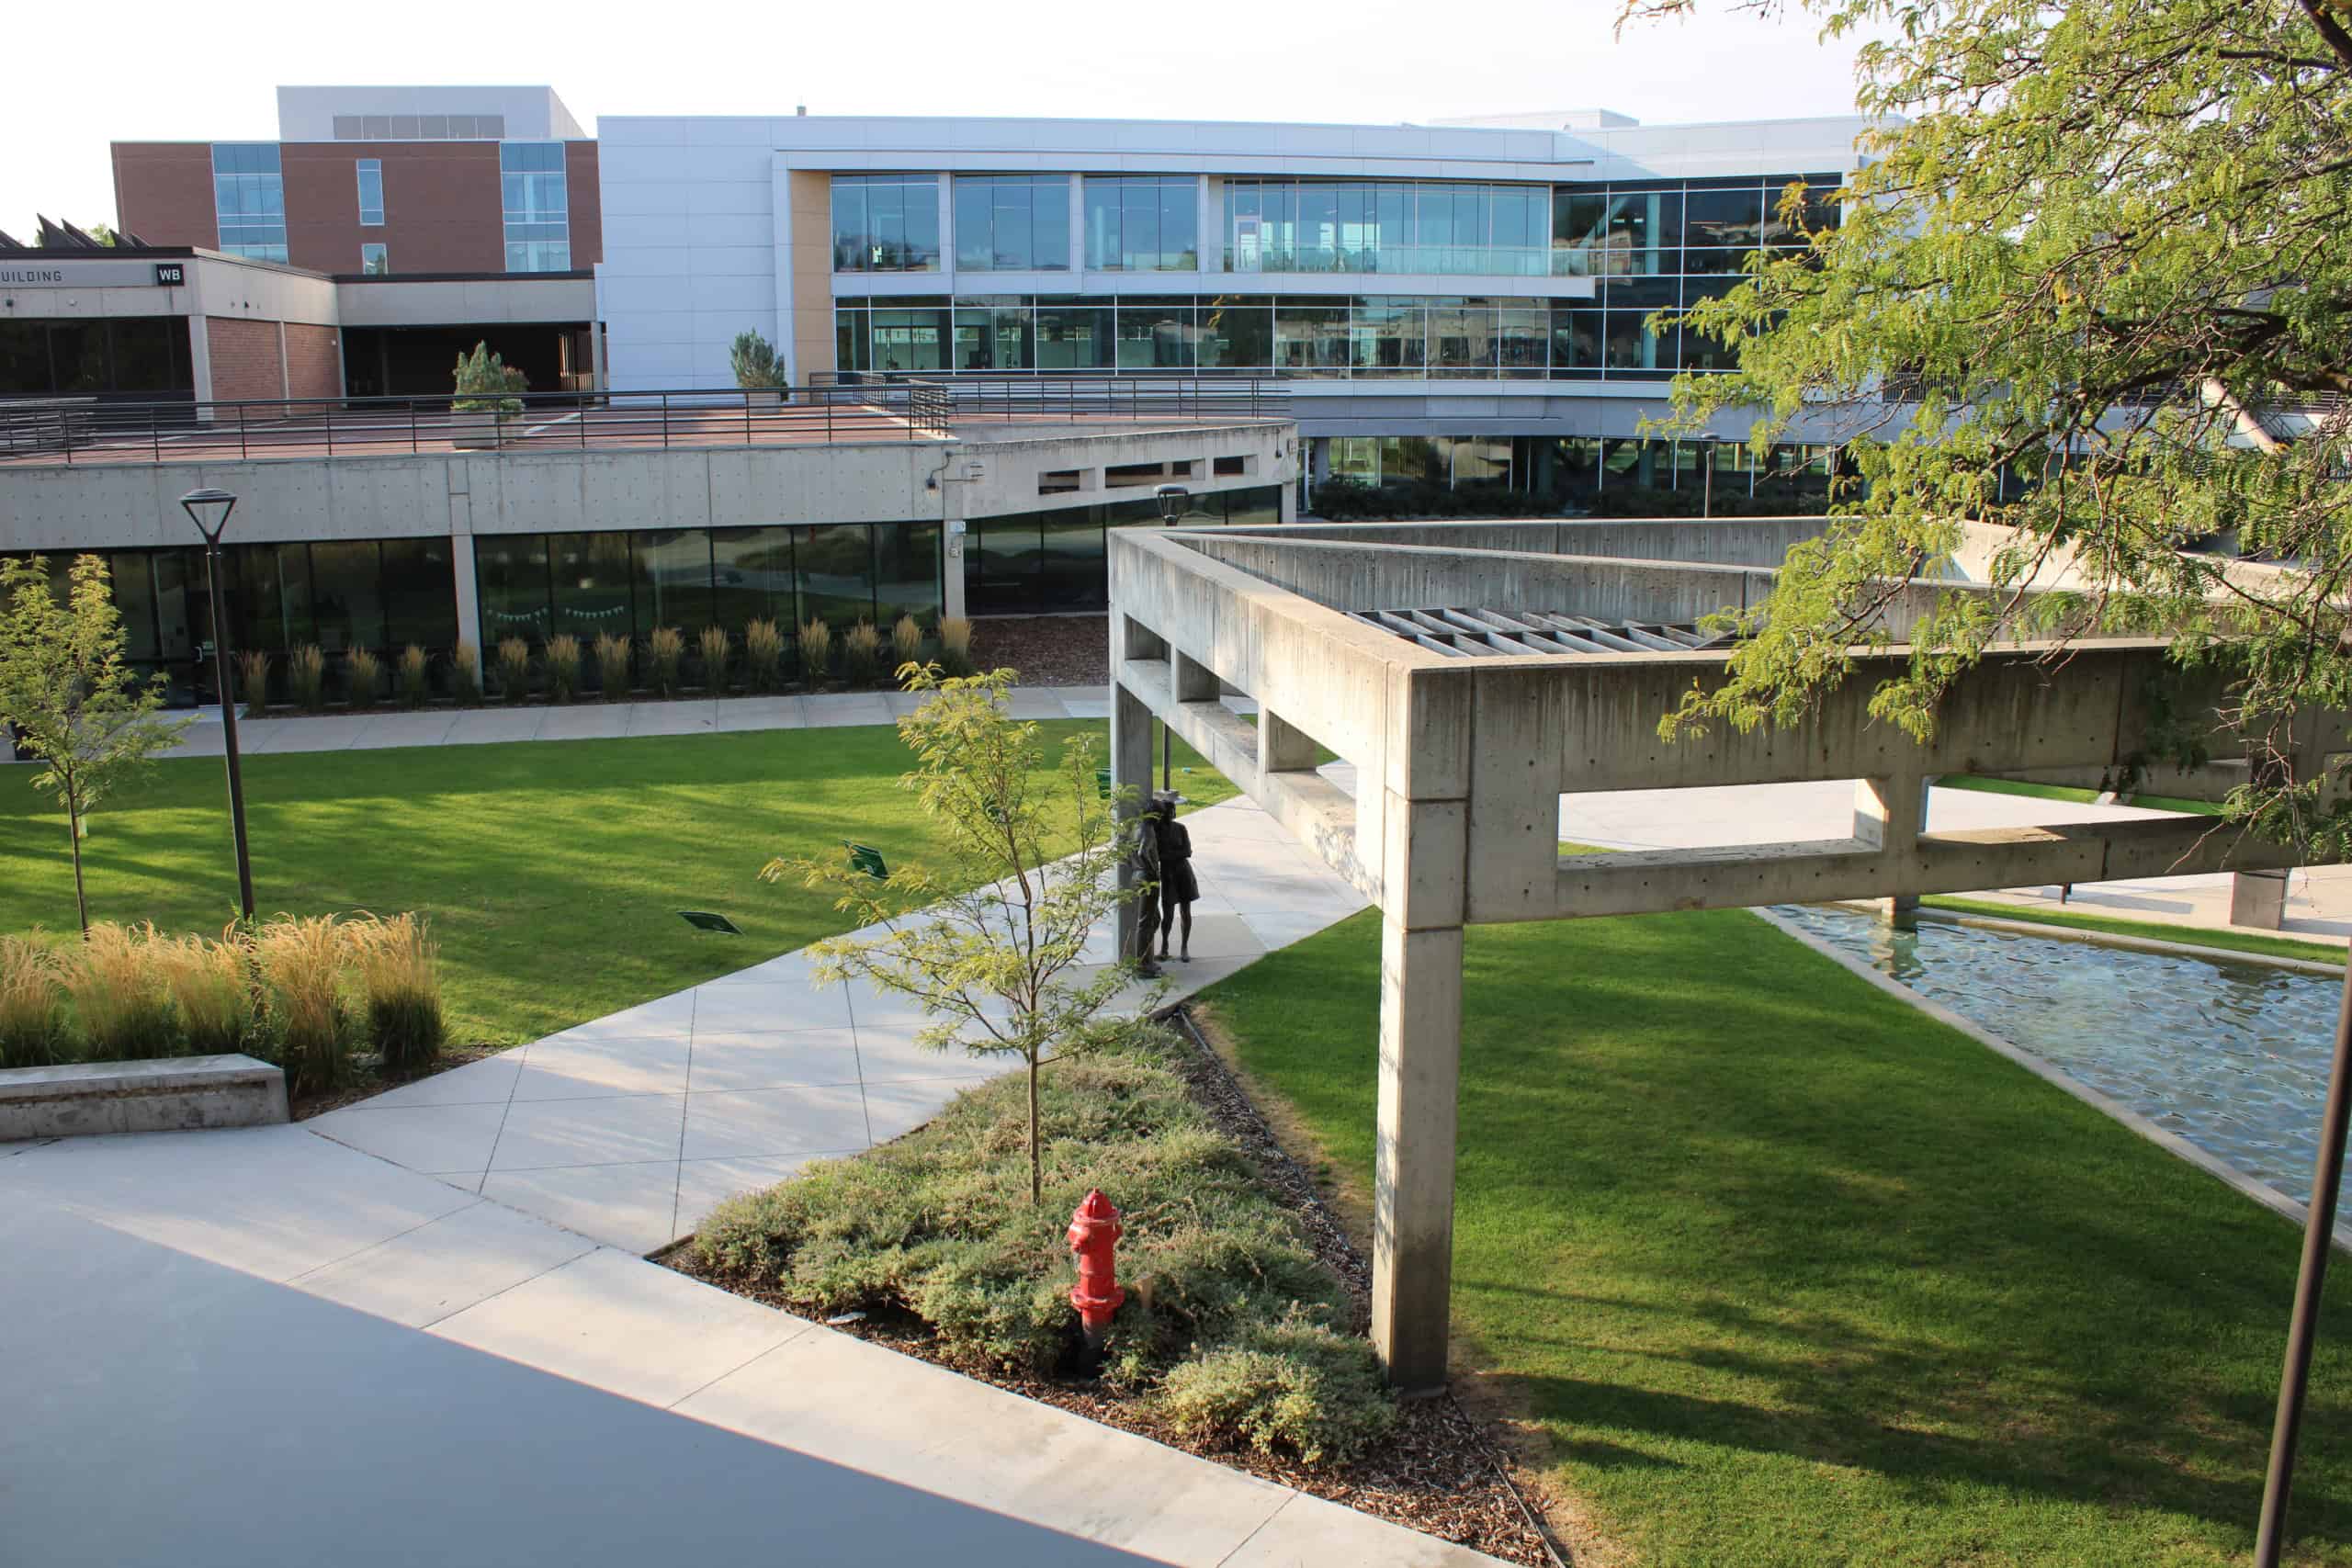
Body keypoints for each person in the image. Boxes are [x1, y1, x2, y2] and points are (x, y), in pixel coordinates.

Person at [1154, 795, 1198, 963]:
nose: (1172, 814)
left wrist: (1167, 855)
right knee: (1168, 915)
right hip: (1168, 876)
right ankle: (1164, 947)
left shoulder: (1181, 828)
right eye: (1168, 811)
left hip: (1184, 873)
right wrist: (1172, 855)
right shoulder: (1156, 830)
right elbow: (1156, 855)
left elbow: (1188, 851)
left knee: (1186, 912)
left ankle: (1184, 947)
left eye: (1173, 810)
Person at [1128, 798, 1164, 977]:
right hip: (1147, 879)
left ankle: (1146, 960)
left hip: (1136, 876)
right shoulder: (1148, 829)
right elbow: (1143, 852)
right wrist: (1152, 871)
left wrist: (1136, 868)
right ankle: (1142, 967)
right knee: (1145, 923)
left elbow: (1128, 854)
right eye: (1160, 815)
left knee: (1154, 919)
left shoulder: (1136, 828)